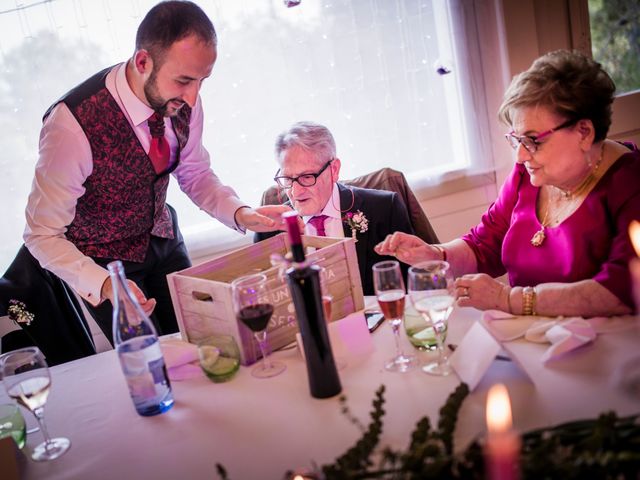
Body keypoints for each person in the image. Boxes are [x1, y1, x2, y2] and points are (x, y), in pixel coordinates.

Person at [23, 1, 290, 343]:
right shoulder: (70, 127)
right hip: (107, 264)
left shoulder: (182, 98)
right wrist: (105, 284)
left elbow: (193, 172)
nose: (193, 96)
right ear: (143, 61)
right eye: (184, 81)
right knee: (153, 364)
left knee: (205, 342)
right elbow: (41, 234)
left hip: (164, 239)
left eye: (201, 80)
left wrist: (240, 213)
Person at [376, 50, 640, 318]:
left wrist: (509, 299)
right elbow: (483, 245)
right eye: (517, 140)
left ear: (584, 132)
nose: (520, 155)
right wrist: (434, 255)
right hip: (531, 338)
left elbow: (621, 291)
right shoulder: (527, 175)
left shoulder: (630, 183)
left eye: (533, 140)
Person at [255, 121, 415, 295]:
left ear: (334, 169)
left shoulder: (383, 209)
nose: (295, 191)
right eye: (287, 179)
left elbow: (415, 285)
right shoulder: (269, 229)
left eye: (307, 177)